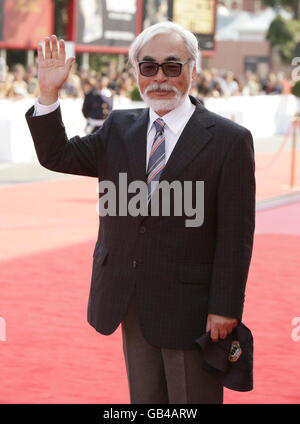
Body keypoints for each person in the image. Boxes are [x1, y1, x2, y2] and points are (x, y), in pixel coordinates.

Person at [25, 22, 255, 404]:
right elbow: (57, 155)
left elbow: (236, 234)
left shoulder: (230, 140)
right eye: (148, 67)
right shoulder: (118, 127)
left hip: (193, 309)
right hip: (130, 301)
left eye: (172, 66)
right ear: (136, 73)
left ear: (193, 70)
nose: (160, 78)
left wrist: (225, 307)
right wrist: (48, 92)